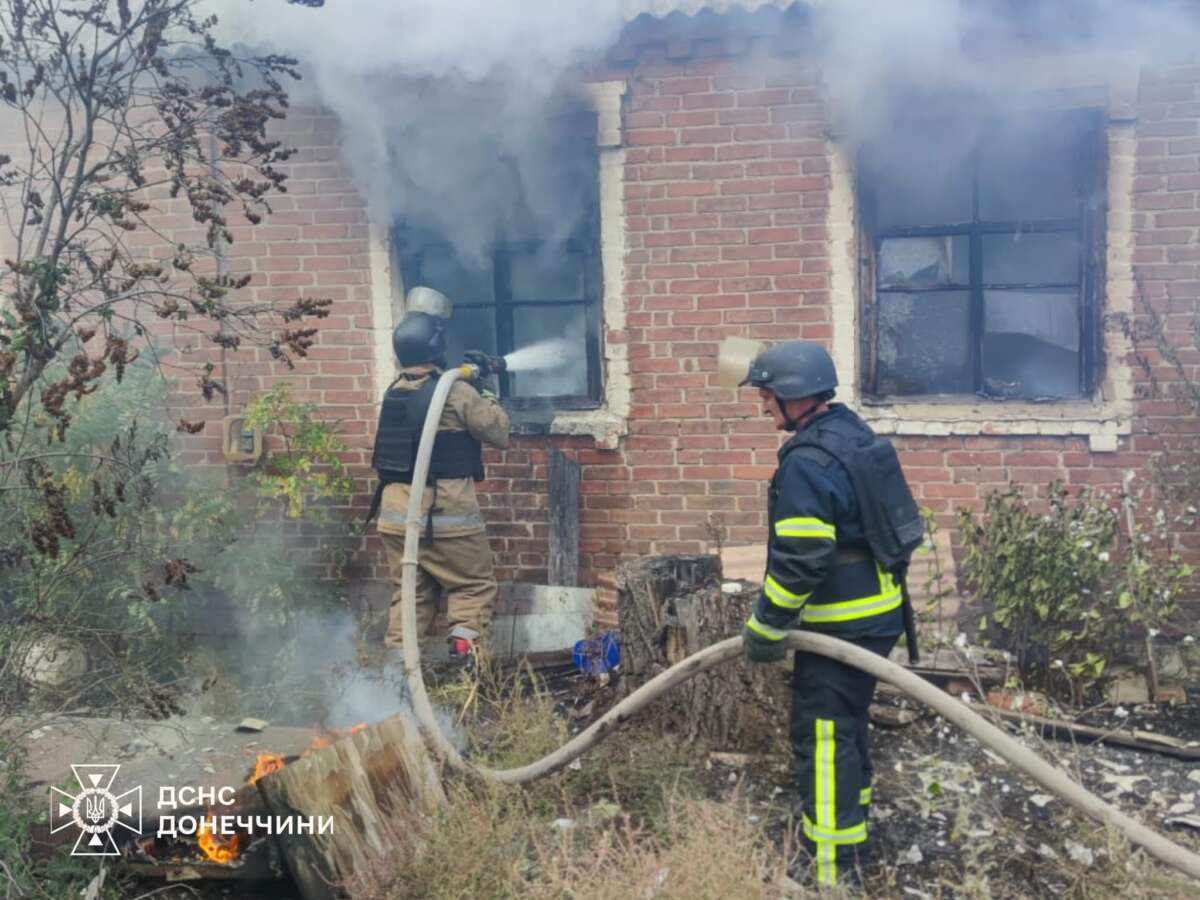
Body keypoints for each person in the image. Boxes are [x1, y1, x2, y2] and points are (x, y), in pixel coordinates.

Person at [736, 340, 921, 888]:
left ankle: (831, 865)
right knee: (847, 725)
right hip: (880, 615)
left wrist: (766, 624)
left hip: (840, 624)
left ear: (794, 395)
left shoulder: (807, 462)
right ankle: (852, 828)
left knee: (820, 737)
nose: (763, 406)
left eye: (767, 395)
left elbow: (801, 560)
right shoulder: (849, 433)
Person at [370, 286, 510, 663]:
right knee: (472, 587)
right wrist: (488, 391)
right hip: (446, 516)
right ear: (437, 347)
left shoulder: (394, 391)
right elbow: (499, 432)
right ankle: (466, 664)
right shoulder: (456, 391)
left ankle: (398, 675)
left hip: (396, 518)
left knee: (411, 594)